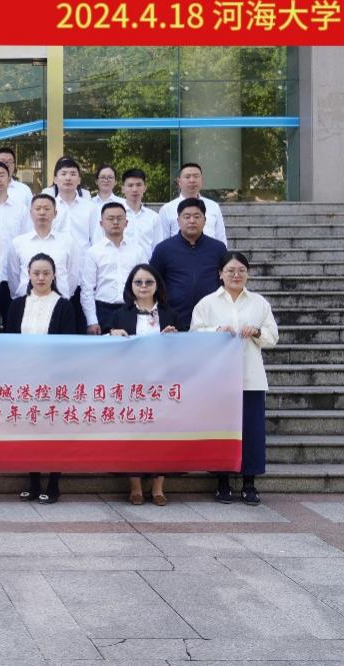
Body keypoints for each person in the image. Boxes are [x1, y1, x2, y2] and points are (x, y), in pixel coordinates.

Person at [191, 252, 278, 506]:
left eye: (241, 270)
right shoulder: (207, 303)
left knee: (251, 432)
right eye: (230, 271)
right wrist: (216, 331)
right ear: (220, 274)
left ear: (248, 273)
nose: (236, 275)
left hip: (250, 377)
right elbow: (194, 335)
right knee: (221, 431)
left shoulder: (259, 303)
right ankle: (222, 482)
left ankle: (249, 483)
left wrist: (257, 332)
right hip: (218, 380)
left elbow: (272, 337)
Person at [106, 264, 181, 507]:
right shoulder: (120, 314)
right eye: (138, 282)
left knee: (163, 434)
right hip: (131, 383)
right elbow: (104, 348)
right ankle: (136, 487)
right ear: (131, 286)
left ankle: (158, 487)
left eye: (149, 282)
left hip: (162, 382)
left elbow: (185, 349)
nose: (144, 286)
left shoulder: (170, 314)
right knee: (133, 434)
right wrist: (111, 336)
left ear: (157, 285)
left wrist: (175, 338)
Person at [6, 253, 78, 505]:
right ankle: (34, 482)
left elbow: (67, 346)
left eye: (46, 273)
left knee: (54, 431)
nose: (41, 277)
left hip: (53, 379)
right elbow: (9, 342)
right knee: (30, 430)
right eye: (36, 273)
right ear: (28, 274)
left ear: (54, 275)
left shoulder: (64, 305)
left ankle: (54, 483)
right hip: (25, 378)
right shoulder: (17, 305)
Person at [148, 198, 228, 331]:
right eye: (187, 217)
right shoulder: (163, 249)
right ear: (178, 221)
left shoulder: (218, 249)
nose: (192, 221)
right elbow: (153, 282)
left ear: (205, 220)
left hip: (210, 321)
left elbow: (225, 282)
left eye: (197, 216)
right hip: (173, 320)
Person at [6, 194, 82, 329]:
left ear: (55, 213)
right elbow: (13, 277)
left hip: (59, 305)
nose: (42, 212)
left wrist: (61, 294)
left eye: (47, 209)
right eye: (38, 208)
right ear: (30, 213)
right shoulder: (18, 243)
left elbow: (73, 275)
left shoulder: (68, 242)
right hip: (26, 304)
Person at [80, 203, 146, 334]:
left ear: (126, 222)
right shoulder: (93, 252)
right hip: (103, 310)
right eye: (110, 219)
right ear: (101, 223)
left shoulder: (137, 251)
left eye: (119, 218)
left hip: (132, 309)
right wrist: (92, 320)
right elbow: (87, 289)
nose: (115, 222)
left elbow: (146, 282)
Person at [158, 162, 228, 245]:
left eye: (196, 176)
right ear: (179, 181)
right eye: (187, 177)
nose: (192, 180)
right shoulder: (167, 209)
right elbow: (162, 241)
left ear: (202, 180)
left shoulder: (213, 206)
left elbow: (221, 239)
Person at [45, 157, 95, 247]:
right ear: (55, 180)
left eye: (73, 174)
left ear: (79, 180)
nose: (68, 178)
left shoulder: (90, 208)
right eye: (63, 174)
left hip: (83, 256)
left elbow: (96, 239)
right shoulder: (47, 208)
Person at [118, 168, 163, 253]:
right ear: (123, 189)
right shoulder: (115, 216)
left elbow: (158, 247)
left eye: (139, 185)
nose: (135, 189)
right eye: (130, 185)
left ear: (145, 188)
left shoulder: (154, 217)